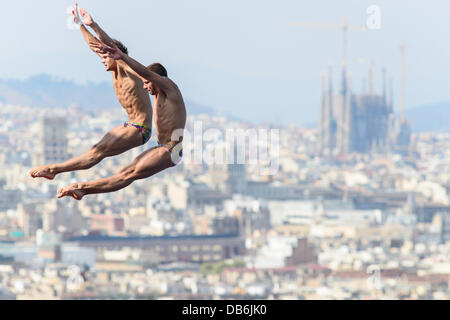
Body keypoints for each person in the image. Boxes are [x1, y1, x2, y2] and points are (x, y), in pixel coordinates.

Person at [30, 4, 153, 181]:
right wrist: (79, 24)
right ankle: (54, 170)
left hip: (140, 129)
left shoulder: (126, 68)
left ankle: (54, 169)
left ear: (115, 54)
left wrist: (93, 24)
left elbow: (108, 46)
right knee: (95, 149)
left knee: (97, 152)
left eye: (105, 57)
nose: (102, 60)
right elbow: (95, 46)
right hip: (129, 125)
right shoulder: (115, 71)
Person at [57, 41, 187, 200]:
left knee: (128, 174)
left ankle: (82, 187)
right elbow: (103, 49)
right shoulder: (158, 94)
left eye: (146, 83)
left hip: (172, 150)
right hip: (162, 147)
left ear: (157, 79)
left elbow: (143, 72)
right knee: (125, 172)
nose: (145, 87)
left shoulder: (170, 89)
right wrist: (88, 25)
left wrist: (123, 56)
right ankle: (83, 190)